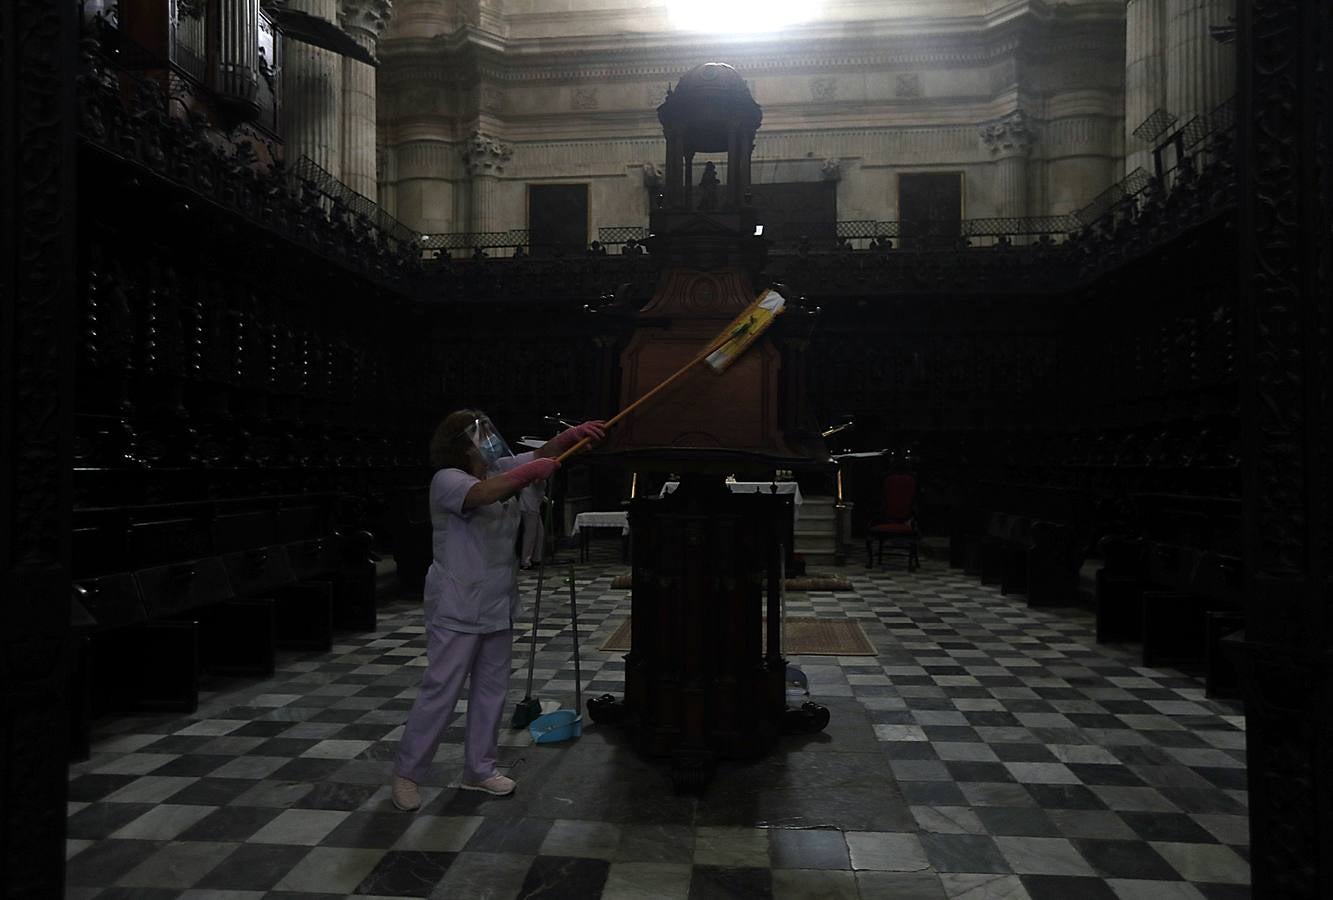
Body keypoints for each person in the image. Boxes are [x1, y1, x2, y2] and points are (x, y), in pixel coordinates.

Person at [391, 410, 606, 810]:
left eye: (490, 431)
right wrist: (530, 473)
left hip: (496, 600)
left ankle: (479, 769)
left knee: (491, 691)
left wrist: (573, 435)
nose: (489, 440)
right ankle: (408, 773)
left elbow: (544, 454)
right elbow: (483, 495)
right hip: (456, 601)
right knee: (442, 691)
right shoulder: (449, 480)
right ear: (461, 443)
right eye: (480, 434)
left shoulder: (500, 466)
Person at [518, 476, 545, 569]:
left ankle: (536, 558)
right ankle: (525, 561)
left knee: (540, 533)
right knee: (530, 534)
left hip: (535, 505)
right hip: (529, 506)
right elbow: (537, 481)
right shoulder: (537, 472)